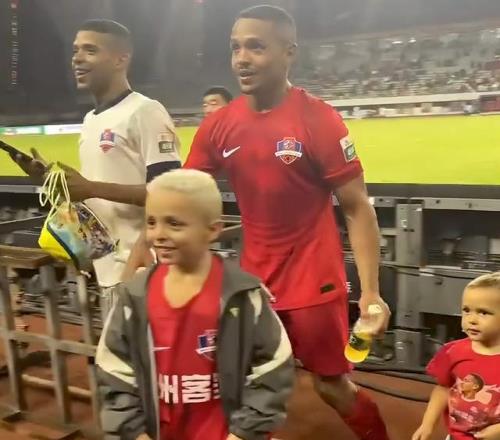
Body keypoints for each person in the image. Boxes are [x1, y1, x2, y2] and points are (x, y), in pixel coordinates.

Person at [182, 5, 391, 440]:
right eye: (236, 47)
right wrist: (94, 190)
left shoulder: (318, 119)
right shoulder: (219, 125)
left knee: (330, 386)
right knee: (244, 388)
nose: (242, 58)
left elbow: (357, 207)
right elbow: (179, 196)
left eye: (256, 47)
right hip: (254, 283)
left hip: (314, 283)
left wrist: (371, 292)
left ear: (288, 52)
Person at [95, 169, 294, 440]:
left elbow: (273, 369)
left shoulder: (243, 295)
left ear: (213, 230)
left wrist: (243, 433)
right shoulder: (135, 297)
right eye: (151, 222)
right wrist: (133, 431)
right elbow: (114, 369)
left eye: (174, 224)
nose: (158, 234)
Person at [13, 19, 181, 318]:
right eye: (75, 50)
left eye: (90, 50)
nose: (77, 58)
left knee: (150, 350)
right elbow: (94, 197)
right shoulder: (91, 120)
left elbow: (170, 194)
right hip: (107, 271)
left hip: (145, 271)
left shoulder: (145, 111)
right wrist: (50, 180)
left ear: (120, 59)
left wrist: (91, 188)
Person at [413, 272, 500, 440]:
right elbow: (443, 388)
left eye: (483, 312)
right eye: (467, 310)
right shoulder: (452, 352)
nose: (471, 319)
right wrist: (427, 424)